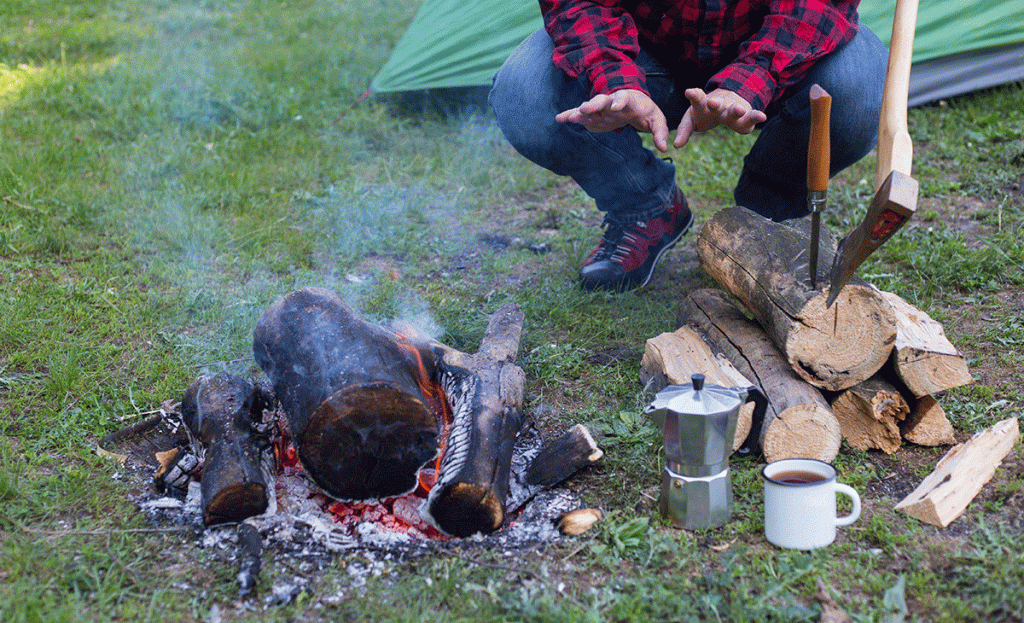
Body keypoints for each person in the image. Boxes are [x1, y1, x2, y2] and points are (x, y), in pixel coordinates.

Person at [489, 0, 888, 292]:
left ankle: (768, 222)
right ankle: (646, 208)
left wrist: (752, 77)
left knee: (858, 91)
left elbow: (818, 5)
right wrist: (613, 78)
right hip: (642, 51)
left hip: (774, 43)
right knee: (526, 94)